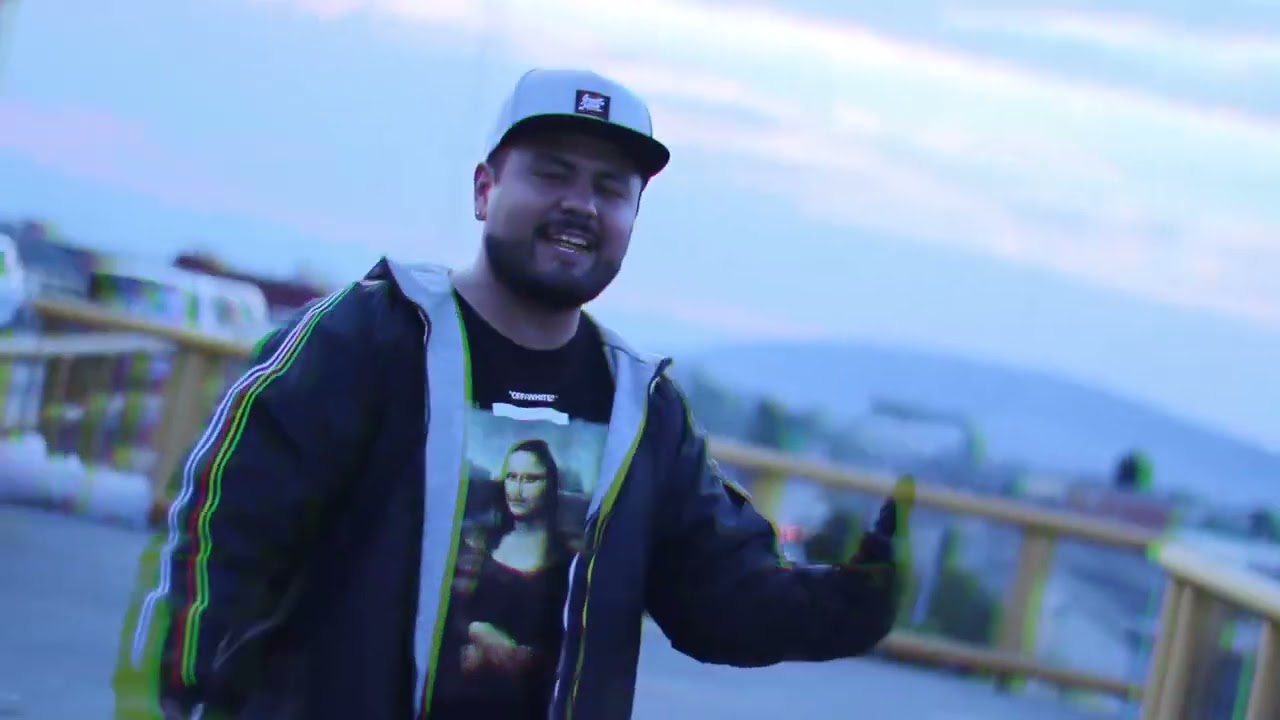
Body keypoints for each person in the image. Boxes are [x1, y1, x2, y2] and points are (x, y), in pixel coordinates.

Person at [116, 68, 908, 720]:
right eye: (552, 173)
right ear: (484, 189)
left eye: (611, 189)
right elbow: (223, 537)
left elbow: (722, 600)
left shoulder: (643, 411)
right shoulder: (366, 339)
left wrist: (860, 598)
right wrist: (172, 697)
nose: (581, 204)